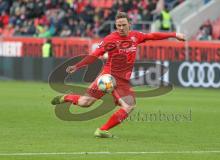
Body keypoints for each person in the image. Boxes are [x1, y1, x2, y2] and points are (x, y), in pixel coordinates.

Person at [51, 12, 185, 138]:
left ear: (129, 25)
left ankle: (94, 123)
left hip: (123, 81)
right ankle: (92, 121)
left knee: (104, 104)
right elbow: (95, 54)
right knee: (99, 104)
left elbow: (152, 36)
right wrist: (77, 66)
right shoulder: (110, 39)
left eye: (123, 25)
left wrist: (174, 34)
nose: (121, 28)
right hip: (108, 77)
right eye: (118, 25)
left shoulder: (135, 36)